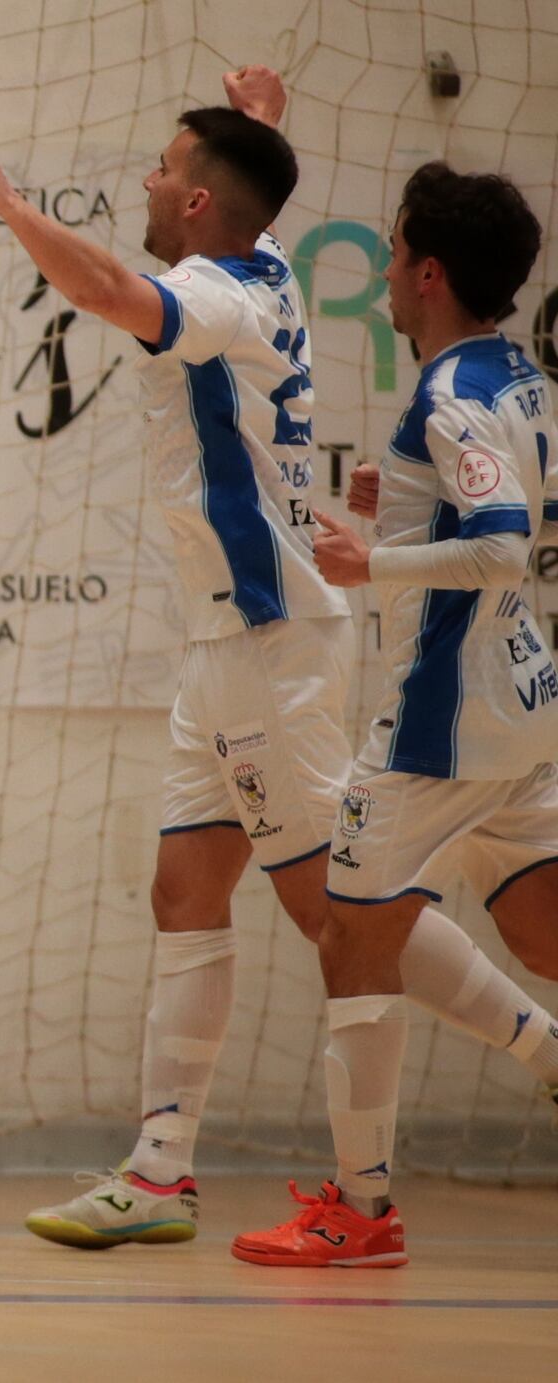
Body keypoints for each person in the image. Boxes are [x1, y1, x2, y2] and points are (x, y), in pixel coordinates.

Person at [0, 69, 558, 1250]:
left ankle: (532, 1061)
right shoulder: (261, 262)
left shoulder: (217, 293)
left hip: (270, 638)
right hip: (221, 642)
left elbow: (111, 286)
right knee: (184, 889)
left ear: (191, 207)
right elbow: (240, 211)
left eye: (165, 168)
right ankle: (158, 1171)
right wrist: (259, 132)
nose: (148, 176)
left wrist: (7, 204)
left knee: (334, 910)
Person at [232, 162, 558, 1268]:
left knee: (348, 939)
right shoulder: (513, 375)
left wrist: (370, 559)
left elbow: (504, 540)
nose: (375, 270)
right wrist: (404, 505)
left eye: (388, 251)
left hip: (438, 725)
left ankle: (359, 1213)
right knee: (538, 930)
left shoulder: (450, 393)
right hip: (525, 703)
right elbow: (509, 507)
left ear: (426, 270)